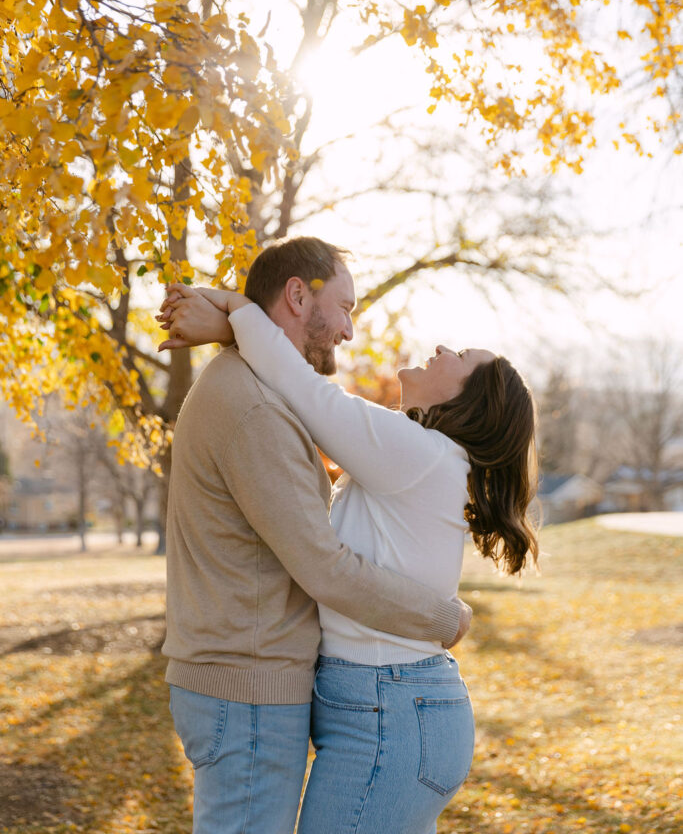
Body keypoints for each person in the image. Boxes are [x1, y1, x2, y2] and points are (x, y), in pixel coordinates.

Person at [159, 269, 539, 834]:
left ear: (469, 401)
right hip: (390, 711)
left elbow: (302, 388)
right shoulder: (412, 459)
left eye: (458, 355)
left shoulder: (421, 453)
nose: (439, 348)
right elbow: (295, 384)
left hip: (393, 713)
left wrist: (234, 312)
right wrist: (232, 326)